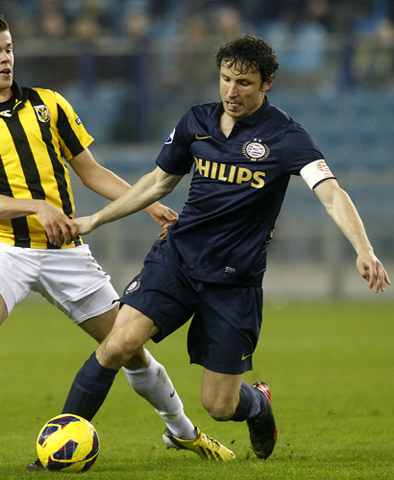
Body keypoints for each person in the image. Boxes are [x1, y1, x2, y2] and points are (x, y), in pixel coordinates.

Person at [0, 12, 235, 477]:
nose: (5, 58)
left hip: (65, 251)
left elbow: (91, 172)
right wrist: (36, 207)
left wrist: (145, 205)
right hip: (3, 247)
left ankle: (183, 432)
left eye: (8, 48)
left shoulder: (49, 105)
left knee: (128, 346)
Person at [58, 34, 390, 461]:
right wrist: (95, 219)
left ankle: (258, 403)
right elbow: (159, 182)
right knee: (119, 344)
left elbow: (331, 193)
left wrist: (363, 249)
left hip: (234, 282)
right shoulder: (196, 121)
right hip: (177, 259)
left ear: (267, 83)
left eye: (245, 83)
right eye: (226, 79)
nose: (232, 91)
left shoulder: (286, 136)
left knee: (219, 405)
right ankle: (61, 443)